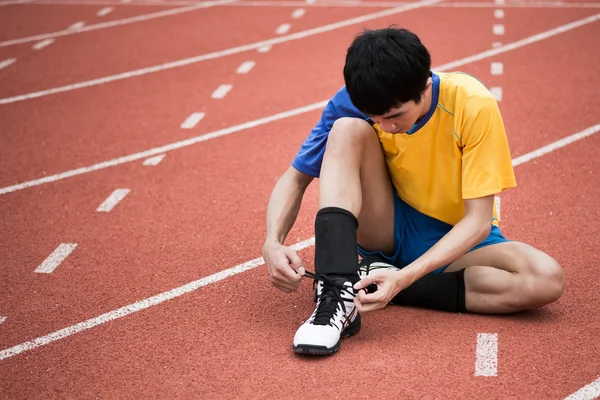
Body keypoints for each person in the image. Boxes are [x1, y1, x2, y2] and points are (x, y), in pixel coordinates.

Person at [261, 27, 565, 356]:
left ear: (424, 87)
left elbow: (477, 222)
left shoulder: (471, 104)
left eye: (394, 116)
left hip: (456, 235)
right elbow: (295, 178)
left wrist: (404, 279)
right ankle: (336, 294)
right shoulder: (356, 100)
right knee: (346, 129)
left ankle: (382, 281)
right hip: (386, 226)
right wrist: (272, 243)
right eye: (376, 118)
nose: (386, 126)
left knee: (545, 279)